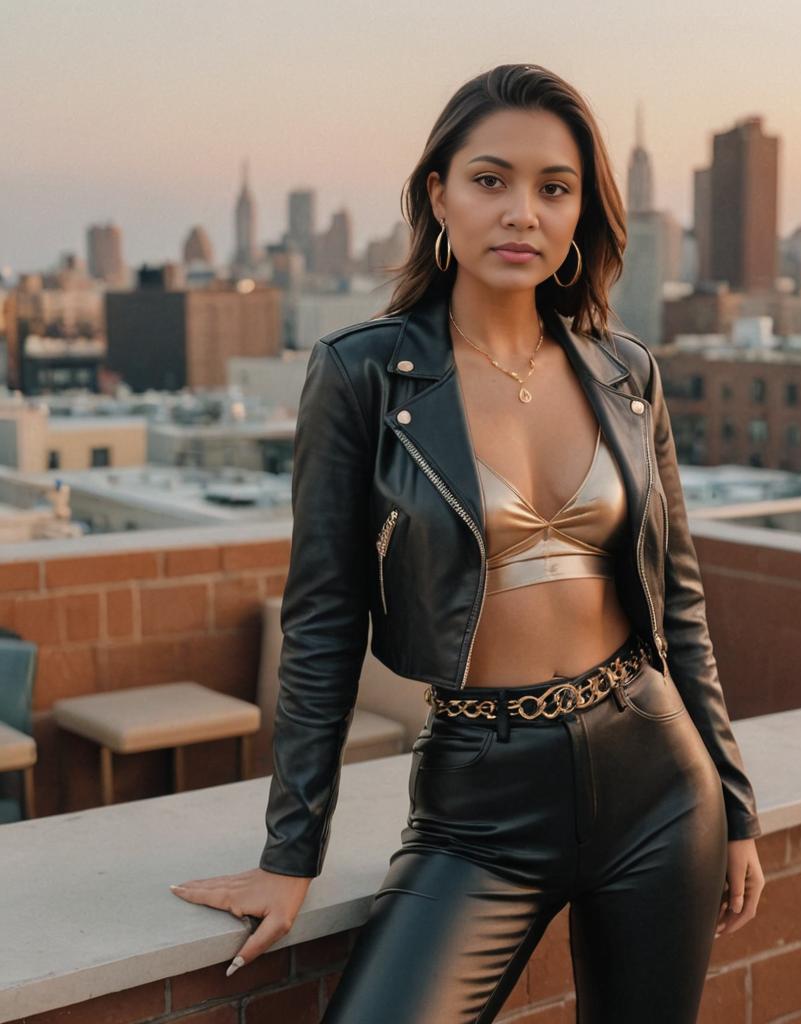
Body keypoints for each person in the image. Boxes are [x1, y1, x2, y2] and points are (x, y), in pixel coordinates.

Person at [171, 62, 765, 1023]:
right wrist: (291, 856)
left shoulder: (627, 374)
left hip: (659, 781)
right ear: (438, 194)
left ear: (582, 214)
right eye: (491, 180)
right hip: (480, 805)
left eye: (553, 188)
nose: (521, 212)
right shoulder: (363, 374)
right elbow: (323, 619)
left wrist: (733, 807)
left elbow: (677, 606)